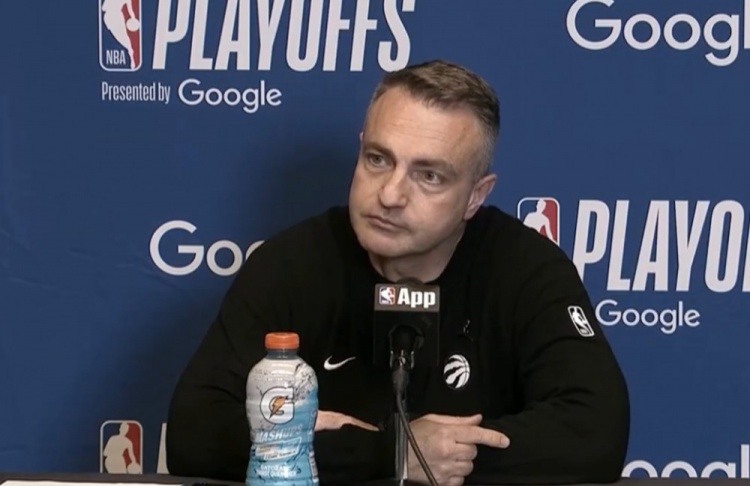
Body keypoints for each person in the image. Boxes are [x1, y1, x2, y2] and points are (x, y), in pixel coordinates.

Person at [166, 60, 629, 485]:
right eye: (378, 159)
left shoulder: (528, 270)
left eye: (429, 176)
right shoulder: (292, 264)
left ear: (475, 195)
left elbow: (595, 431)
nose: (389, 195)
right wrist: (391, 453)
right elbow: (194, 433)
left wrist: (436, 456)